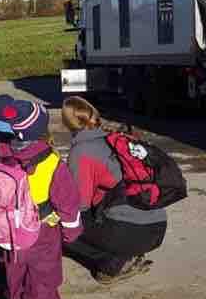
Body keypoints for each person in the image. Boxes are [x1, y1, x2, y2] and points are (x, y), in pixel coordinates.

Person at [0, 100, 82, 299]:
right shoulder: (52, 164)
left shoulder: (3, 157)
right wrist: (71, 232)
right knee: (43, 282)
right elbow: (68, 205)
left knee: (14, 277)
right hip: (43, 234)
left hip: (12, 233)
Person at [60, 96, 168, 285]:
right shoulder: (119, 138)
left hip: (129, 230)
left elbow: (81, 205)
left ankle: (112, 263)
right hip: (157, 226)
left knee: (61, 227)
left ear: (66, 122)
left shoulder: (82, 151)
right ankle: (128, 252)